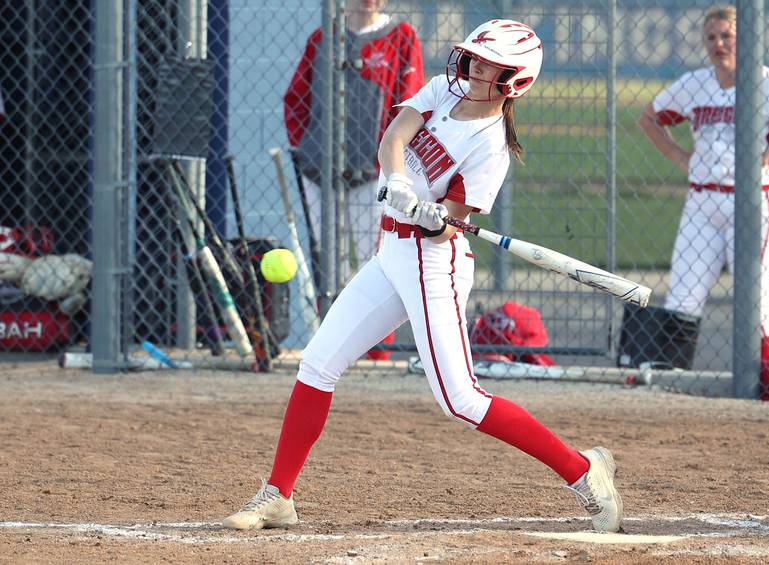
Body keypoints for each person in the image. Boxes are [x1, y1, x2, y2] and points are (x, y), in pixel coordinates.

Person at [224, 19, 622, 533]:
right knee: (318, 364)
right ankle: (278, 494)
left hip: (433, 263)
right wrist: (397, 182)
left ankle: (584, 471)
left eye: (490, 65)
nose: (475, 67)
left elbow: (446, 228)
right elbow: (395, 136)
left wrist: (433, 216)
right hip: (391, 250)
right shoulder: (442, 89)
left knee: (461, 400)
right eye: (475, 57)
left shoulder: (491, 147)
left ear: (514, 80)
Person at [638, 5, 769, 360]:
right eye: (711, 37)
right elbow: (649, 118)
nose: (718, 43)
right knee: (682, 295)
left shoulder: (768, 82)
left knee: (755, 299)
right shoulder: (695, 84)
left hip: (755, 201)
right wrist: (681, 157)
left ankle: (766, 380)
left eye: (727, 35)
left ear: (744, 38)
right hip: (701, 204)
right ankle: (671, 379)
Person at [284, 0, 424, 360]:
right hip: (321, 170)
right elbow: (295, 99)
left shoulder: (400, 37)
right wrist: (307, 148)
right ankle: (331, 346)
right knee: (328, 260)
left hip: (371, 171)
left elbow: (410, 102)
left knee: (375, 257)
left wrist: (392, 158)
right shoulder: (324, 37)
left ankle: (377, 352)